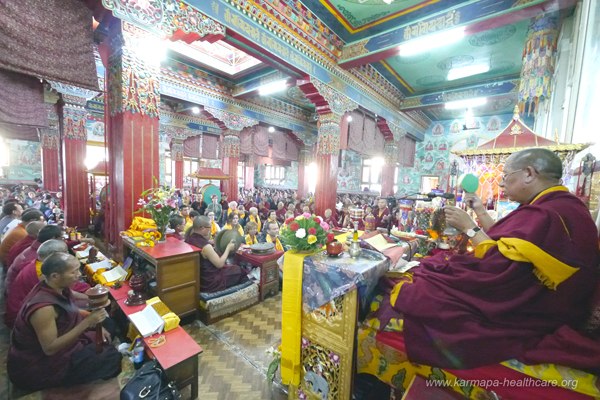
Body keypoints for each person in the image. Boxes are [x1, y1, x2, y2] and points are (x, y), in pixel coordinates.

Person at [372, 148, 600, 369]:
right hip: (548, 300)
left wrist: (470, 228)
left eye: (506, 176)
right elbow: (509, 243)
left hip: (532, 308)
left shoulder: (549, 213)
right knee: (435, 266)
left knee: (426, 287)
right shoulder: (561, 206)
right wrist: (480, 212)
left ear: (529, 174)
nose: (501, 184)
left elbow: (498, 265)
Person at [8, 252, 122, 391]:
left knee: (108, 324)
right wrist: (87, 323)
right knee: (111, 357)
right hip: (40, 367)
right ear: (55, 276)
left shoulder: (54, 286)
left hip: (63, 343)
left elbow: (71, 305)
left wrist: (99, 299)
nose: (79, 275)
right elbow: (50, 348)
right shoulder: (44, 309)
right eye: (73, 272)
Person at [185, 216, 248, 293]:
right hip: (210, 282)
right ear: (202, 228)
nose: (210, 230)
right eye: (209, 227)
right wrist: (228, 248)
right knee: (239, 270)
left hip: (199, 277)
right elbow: (219, 264)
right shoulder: (206, 247)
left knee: (231, 267)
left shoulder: (188, 238)